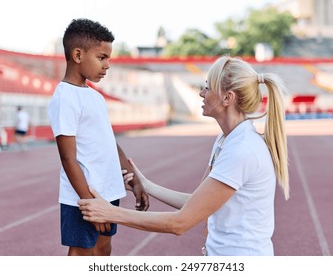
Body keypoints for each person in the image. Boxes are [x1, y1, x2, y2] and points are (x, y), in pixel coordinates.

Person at [78, 56, 290, 256]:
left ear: (227, 98)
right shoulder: (227, 140)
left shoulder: (242, 150)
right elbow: (196, 203)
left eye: (207, 87)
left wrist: (111, 213)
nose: (201, 93)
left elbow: (180, 223)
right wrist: (147, 185)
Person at [48, 18, 149, 256]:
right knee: (82, 253)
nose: (107, 65)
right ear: (78, 55)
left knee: (103, 249)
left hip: (109, 191)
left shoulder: (95, 97)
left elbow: (110, 144)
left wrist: (134, 181)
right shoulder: (65, 98)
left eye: (108, 59)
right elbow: (68, 159)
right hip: (84, 197)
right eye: (102, 57)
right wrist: (89, 203)